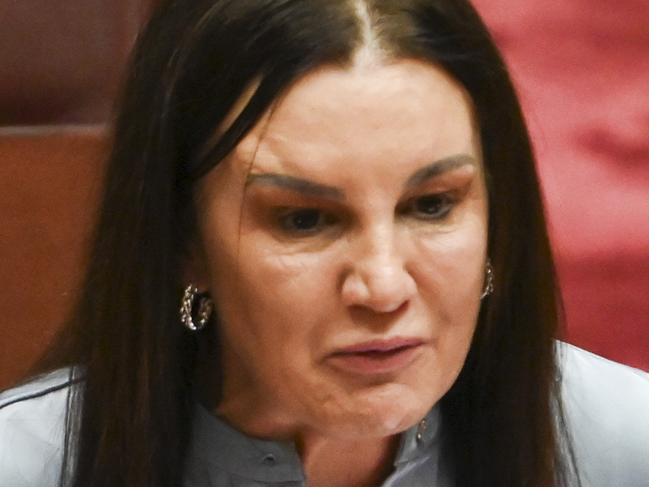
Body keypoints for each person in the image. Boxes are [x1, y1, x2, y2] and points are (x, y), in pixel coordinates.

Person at [1, 1, 648, 486]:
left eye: (431, 205)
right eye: (304, 220)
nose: (383, 285)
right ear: (183, 242)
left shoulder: (625, 446)